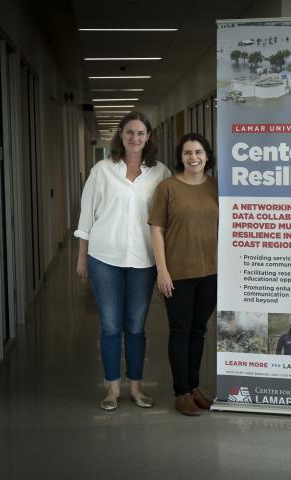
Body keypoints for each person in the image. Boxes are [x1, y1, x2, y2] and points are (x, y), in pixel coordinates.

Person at [75, 111, 170, 411]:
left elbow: (167, 218)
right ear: (120, 135)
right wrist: (82, 258)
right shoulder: (102, 170)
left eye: (141, 133)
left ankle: (137, 389)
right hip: (104, 258)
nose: (135, 138)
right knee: (110, 326)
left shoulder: (160, 172)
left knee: (136, 327)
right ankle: (112, 389)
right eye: (130, 132)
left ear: (148, 137)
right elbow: (86, 217)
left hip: (144, 260)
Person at [149, 133, 218, 416]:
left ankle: (192, 388)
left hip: (211, 272)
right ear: (180, 157)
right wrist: (162, 271)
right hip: (177, 272)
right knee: (180, 332)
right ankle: (180, 392)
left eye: (198, 152)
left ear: (206, 156)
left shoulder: (215, 186)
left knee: (198, 331)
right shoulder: (167, 188)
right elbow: (156, 229)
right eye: (188, 152)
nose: (193, 158)